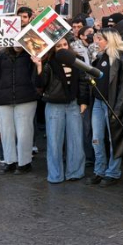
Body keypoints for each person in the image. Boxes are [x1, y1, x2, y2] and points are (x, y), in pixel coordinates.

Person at [85, 29, 123, 187]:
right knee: (96, 139)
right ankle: (99, 170)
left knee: (114, 139)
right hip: (98, 103)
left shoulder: (122, 58)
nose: (96, 41)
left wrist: (117, 109)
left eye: (100, 39)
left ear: (109, 40)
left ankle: (113, 172)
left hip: (112, 105)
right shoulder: (100, 56)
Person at [37, 37, 88, 184]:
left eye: (65, 44)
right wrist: (39, 66)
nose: (63, 47)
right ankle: (55, 175)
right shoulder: (49, 62)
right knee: (54, 141)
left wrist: (83, 101)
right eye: (59, 46)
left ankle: (75, 172)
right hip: (54, 105)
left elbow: (83, 81)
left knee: (76, 139)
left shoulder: (77, 60)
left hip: (73, 104)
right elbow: (40, 83)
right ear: (54, 48)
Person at [0, 44, 40, 173]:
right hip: (3, 98)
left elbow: (38, 78)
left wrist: (37, 62)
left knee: (24, 133)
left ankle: (24, 163)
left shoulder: (31, 56)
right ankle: (10, 162)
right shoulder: (0, 55)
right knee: (6, 133)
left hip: (25, 97)